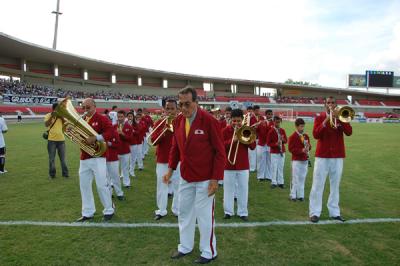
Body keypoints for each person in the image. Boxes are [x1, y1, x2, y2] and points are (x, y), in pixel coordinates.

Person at [163, 86, 225, 264]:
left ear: (196, 102)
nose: (183, 108)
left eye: (187, 104)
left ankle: (209, 251)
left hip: (206, 178)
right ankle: (185, 246)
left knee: (204, 215)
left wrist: (215, 179)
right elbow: (176, 149)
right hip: (185, 177)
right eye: (181, 104)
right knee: (184, 212)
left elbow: (220, 153)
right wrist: (170, 170)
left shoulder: (209, 121)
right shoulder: (178, 121)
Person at [309, 96, 352, 223]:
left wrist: (341, 120)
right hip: (322, 155)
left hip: (337, 156)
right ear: (325, 105)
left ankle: (334, 212)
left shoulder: (342, 117)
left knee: (335, 185)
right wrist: (327, 120)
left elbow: (349, 132)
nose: (331, 105)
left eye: (333, 103)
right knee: (318, 184)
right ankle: (315, 212)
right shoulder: (320, 117)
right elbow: (316, 135)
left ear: (336, 104)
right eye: (328, 103)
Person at [76, 98, 116, 222]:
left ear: (94, 106)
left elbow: (112, 132)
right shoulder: (81, 119)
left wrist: (96, 138)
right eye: (83, 108)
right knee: (84, 186)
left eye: (88, 107)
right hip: (84, 157)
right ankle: (88, 212)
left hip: (98, 157)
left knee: (101, 185)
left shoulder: (102, 118)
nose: (85, 110)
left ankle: (109, 209)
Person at [223, 109, 256, 221]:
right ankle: (228, 211)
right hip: (228, 165)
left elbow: (253, 147)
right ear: (230, 120)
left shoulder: (246, 130)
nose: (236, 123)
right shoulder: (225, 131)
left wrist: (246, 135)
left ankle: (242, 212)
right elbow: (221, 147)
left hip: (243, 165)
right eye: (234, 121)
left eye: (238, 121)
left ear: (242, 120)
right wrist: (234, 140)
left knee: (243, 189)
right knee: (228, 189)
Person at [151, 99, 180, 220]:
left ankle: (177, 209)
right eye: (167, 108)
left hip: (178, 159)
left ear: (177, 109)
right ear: (164, 109)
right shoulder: (159, 122)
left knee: (179, 185)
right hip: (163, 159)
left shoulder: (182, 122)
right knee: (162, 184)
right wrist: (164, 131)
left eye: (172, 108)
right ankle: (161, 210)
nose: (169, 111)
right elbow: (153, 140)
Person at [288, 118, 311, 201]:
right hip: (296, 160)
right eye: (301, 126)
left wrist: (308, 147)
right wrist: (301, 150)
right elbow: (291, 149)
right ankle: (293, 195)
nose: (302, 128)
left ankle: (301, 195)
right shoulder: (292, 136)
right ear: (296, 126)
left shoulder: (306, 136)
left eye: (303, 126)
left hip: (304, 159)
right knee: (295, 178)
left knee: (302, 177)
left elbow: (310, 146)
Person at [44, 103, 69, 179]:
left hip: (61, 140)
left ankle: (65, 174)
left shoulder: (62, 116)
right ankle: (52, 175)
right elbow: (46, 124)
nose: (59, 110)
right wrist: (52, 116)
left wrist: (60, 117)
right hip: (51, 140)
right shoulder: (48, 115)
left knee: (63, 159)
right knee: (51, 159)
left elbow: (66, 124)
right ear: (54, 109)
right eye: (58, 109)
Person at [267, 116, 287, 189]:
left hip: (282, 151)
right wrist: (275, 144)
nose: (278, 124)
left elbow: (286, 141)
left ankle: (281, 182)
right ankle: (274, 182)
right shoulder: (271, 131)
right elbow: (268, 143)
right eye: (276, 122)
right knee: (274, 167)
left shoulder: (282, 130)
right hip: (274, 152)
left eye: (279, 122)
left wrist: (283, 139)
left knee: (281, 167)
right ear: (273, 122)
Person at [105, 130, 125, 201]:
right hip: (103, 158)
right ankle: (109, 193)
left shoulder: (114, 133)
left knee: (115, 176)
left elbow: (118, 144)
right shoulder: (100, 133)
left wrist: (110, 144)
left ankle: (119, 193)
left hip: (113, 158)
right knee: (106, 178)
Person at [116, 110, 133, 188]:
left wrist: (122, 134)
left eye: (121, 117)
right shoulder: (114, 126)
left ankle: (126, 183)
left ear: (125, 117)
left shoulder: (128, 126)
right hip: (116, 151)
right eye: (118, 116)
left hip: (125, 151)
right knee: (114, 169)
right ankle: (114, 183)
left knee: (125, 169)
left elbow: (130, 139)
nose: (120, 118)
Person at [127, 112, 141, 178]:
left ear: (133, 117)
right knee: (126, 159)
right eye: (128, 116)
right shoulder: (124, 124)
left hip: (134, 143)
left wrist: (132, 129)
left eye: (131, 116)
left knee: (133, 158)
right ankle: (123, 173)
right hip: (126, 143)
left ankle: (131, 171)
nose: (130, 118)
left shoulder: (136, 124)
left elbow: (138, 133)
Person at [246, 106, 257, 172]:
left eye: (250, 110)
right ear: (247, 111)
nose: (249, 112)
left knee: (252, 153)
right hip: (245, 136)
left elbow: (255, 127)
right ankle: (248, 166)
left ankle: (252, 167)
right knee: (247, 153)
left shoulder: (253, 118)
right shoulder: (245, 117)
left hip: (252, 136)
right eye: (248, 110)